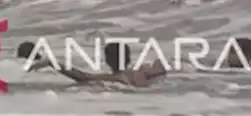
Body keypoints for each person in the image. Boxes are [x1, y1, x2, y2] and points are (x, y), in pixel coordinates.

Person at [18, 41, 167, 87]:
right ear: (128, 57)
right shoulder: (142, 70)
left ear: (107, 60)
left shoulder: (113, 78)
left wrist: (52, 63)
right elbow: (163, 67)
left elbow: (82, 76)